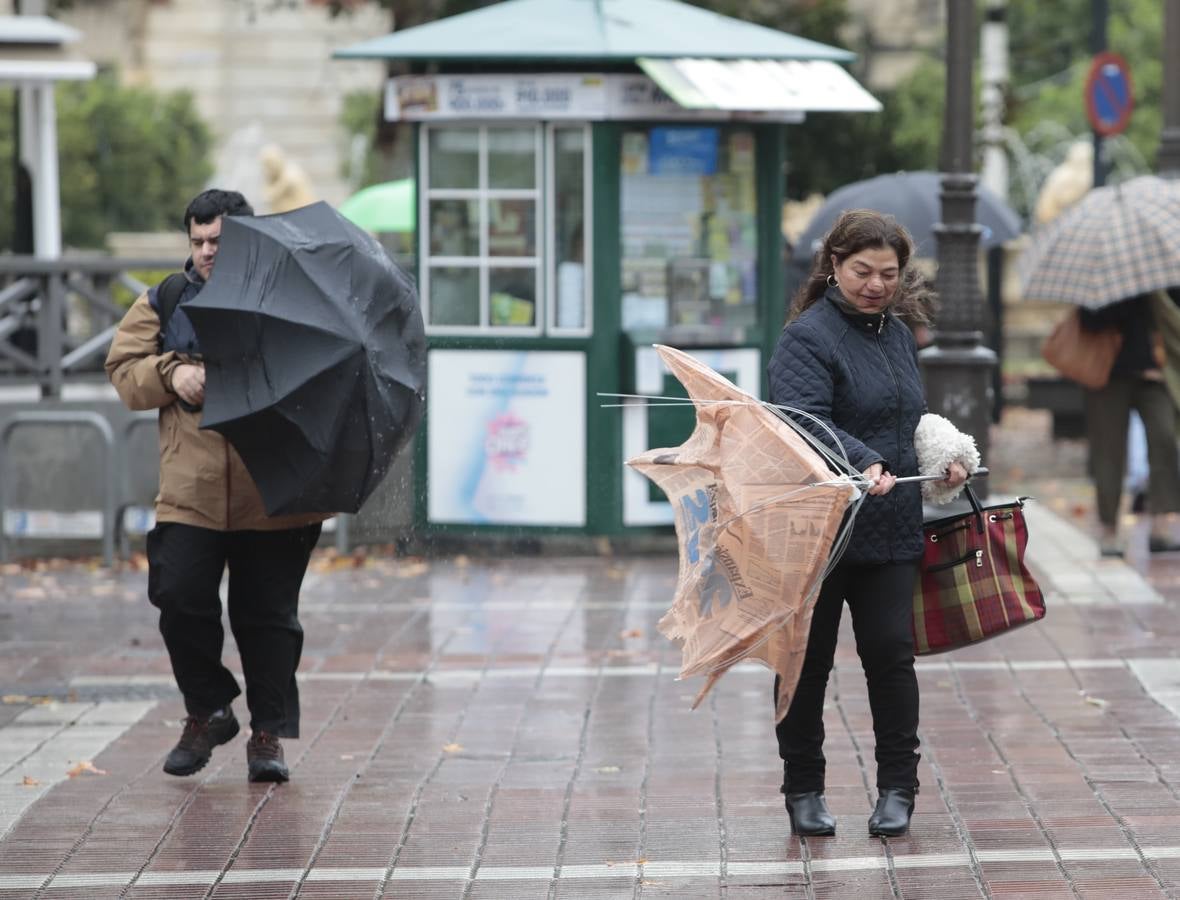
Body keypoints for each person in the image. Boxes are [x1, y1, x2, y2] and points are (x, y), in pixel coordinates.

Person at [767, 209, 977, 838]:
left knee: (890, 656)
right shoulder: (807, 337)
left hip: (888, 526)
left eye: (889, 273)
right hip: (819, 530)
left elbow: (906, 415)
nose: (877, 284)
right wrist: (863, 460)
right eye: (863, 271)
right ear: (834, 265)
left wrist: (945, 460)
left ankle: (898, 790)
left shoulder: (895, 334)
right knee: (806, 663)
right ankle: (802, 787)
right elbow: (801, 418)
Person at [105, 189, 326, 783]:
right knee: (177, 596)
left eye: (218, 242)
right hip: (190, 491)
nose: (206, 251)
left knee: (268, 619)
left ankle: (268, 735)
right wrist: (172, 372)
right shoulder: (166, 300)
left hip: (274, 492)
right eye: (197, 241)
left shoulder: (293, 299)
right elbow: (123, 372)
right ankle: (207, 709)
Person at [1078, 293, 1180, 557]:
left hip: (1156, 374)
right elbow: (1088, 321)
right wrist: (1125, 301)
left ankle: (1160, 525)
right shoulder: (1102, 280)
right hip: (1109, 374)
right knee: (1109, 450)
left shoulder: (1160, 274)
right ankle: (1109, 529)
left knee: (1165, 439)